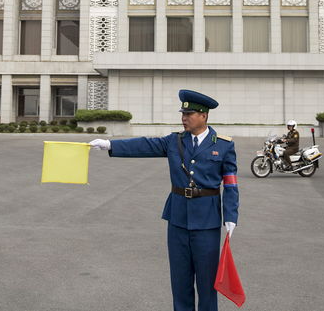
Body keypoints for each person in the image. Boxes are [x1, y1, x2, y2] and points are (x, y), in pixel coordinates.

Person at [89, 89, 239, 311]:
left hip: (207, 221)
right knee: (180, 280)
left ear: (204, 116)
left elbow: (231, 184)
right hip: (178, 218)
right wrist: (111, 145)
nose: (184, 118)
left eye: (189, 114)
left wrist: (231, 215)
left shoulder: (224, 145)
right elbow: (145, 145)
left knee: (207, 283)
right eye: (183, 114)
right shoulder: (174, 141)